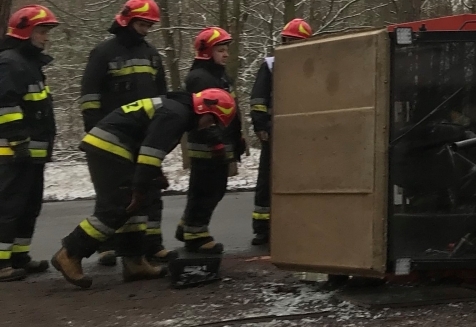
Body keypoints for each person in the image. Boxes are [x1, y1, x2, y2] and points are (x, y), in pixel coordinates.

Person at [53, 88, 237, 289]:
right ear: (205, 109)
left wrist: (152, 177)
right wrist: (140, 187)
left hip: (117, 147)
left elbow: (147, 143)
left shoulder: (176, 109)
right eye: (212, 120)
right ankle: (70, 252)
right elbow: (150, 152)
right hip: (111, 147)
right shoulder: (176, 115)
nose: (208, 126)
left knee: (137, 207)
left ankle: (135, 263)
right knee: (120, 205)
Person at [79, 0, 169, 267]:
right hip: (112, 135)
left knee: (150, 189)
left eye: (149, 25)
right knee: (112, 192)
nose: (145, 29)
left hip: (143, 134)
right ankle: (107, 245)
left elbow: (161, 95)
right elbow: (89, 97)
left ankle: (152, 245)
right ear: (127, 20)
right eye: (142, 24)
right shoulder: (104, 53)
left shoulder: (152, 54)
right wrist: (94, 130)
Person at [0, 6, 60, 282]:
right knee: (9, 206)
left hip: (32, 152)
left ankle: (19, 256)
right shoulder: (10, 63)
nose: (46, 38)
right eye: (42, 31)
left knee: (29, 206)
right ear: (25, 31)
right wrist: (19, 141)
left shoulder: (28, 63)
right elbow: (7, 107)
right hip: (13, 152)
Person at [177, 27, 243, 254]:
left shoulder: (221, 76)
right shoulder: (200, 78)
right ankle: (196, 235)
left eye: (226, 50)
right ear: (206, 52)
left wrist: (237, 137)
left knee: (216, 188)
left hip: (222, 141)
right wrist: (216, 142)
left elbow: (232, 110)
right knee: (205, 189)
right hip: (206, 144)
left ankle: (188, 225)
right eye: (220, 50)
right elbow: (205, 116)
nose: (226, 54)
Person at [249, 17, 312, 247]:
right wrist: (261, 125)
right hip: (275, 131)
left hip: (301, 133)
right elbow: (258, 98)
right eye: (288, 41)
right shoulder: (271, 65)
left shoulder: (311, 65)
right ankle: (262, 228)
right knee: (268, 178)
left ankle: (295, 223)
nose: (290, 45)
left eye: (296, 42)